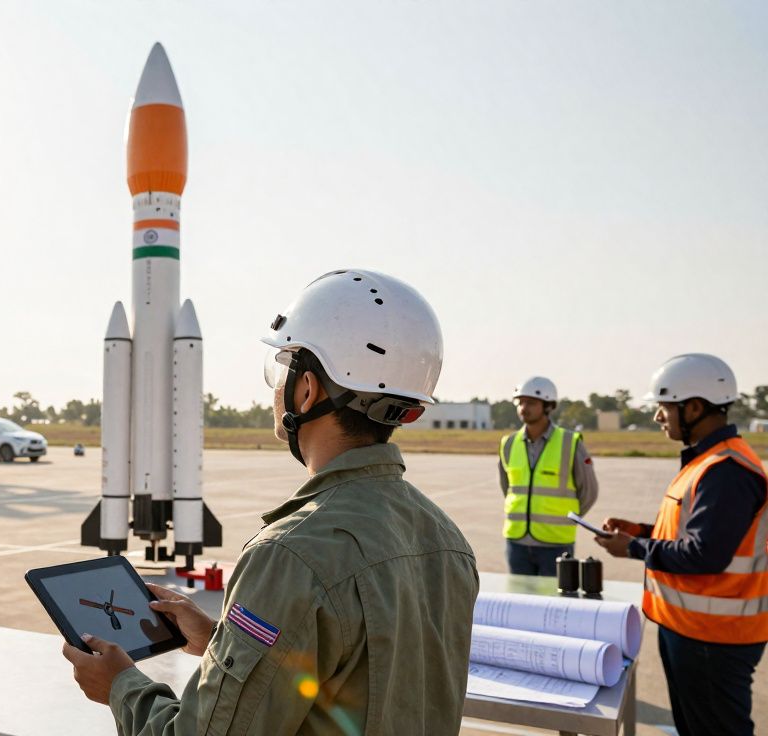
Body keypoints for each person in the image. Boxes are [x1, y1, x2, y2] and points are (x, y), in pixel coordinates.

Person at [63, 269, 479, 735]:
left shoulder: (291, 554)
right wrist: (223, 643)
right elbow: (358, 677)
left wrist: (121, 685)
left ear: (308, 389)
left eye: (282, 368)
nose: (275, 386)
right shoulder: (447, 541)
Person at [594, 354, 766, 736]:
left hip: (713, 639)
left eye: (664, 407)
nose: (658, 417)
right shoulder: (707, 462)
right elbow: (690, 532)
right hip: (694, 631)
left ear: (694, 407)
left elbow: (705, 553)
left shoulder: (726, 470)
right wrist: (638, 531)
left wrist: (634, 548)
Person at [498, 376, 599, 576]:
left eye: (531, 403)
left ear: (548, 406)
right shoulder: (508, 443)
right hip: (516, 542)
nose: (523, 408)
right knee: (520, 602)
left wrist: (566, 519)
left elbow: (589, 491)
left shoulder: (570, 442)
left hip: (555, 544)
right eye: (521, 402)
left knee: (553, 604)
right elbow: (507, 487)